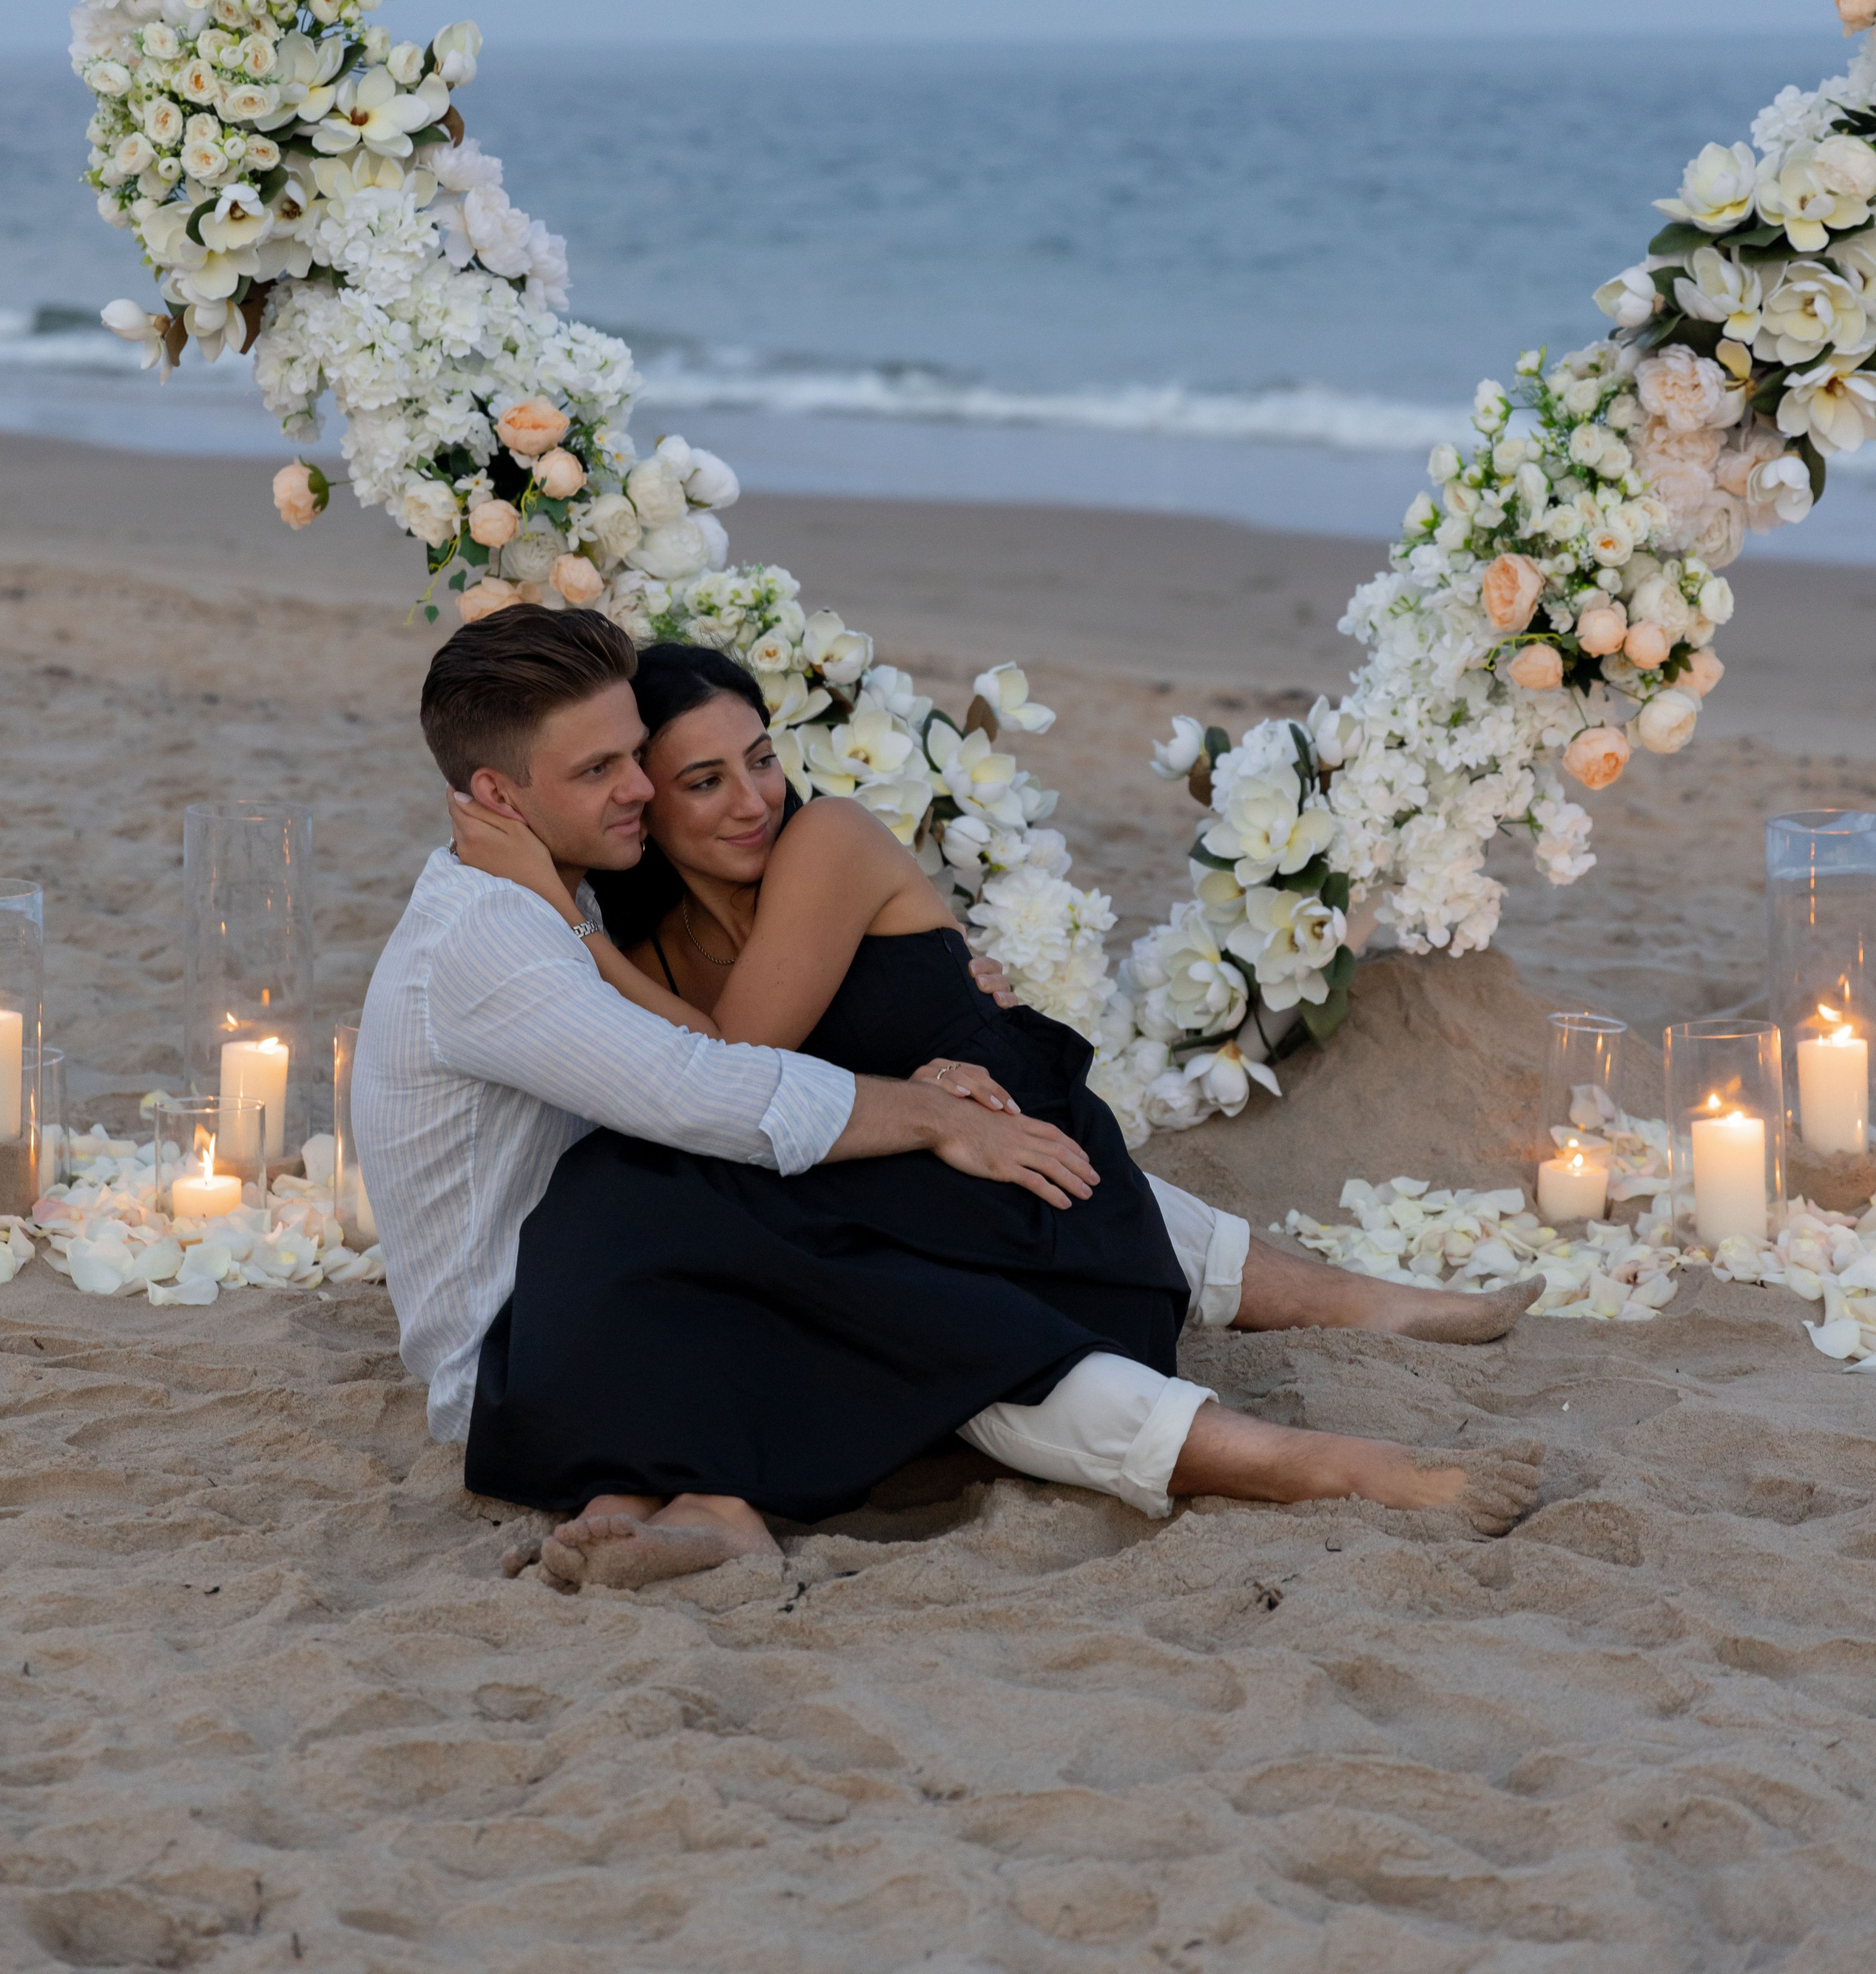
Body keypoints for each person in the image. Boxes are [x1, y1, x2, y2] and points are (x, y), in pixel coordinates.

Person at [399, 616, 1540, 1588]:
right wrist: (587, 927)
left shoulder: (818, 838)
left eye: (757, 758)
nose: (748, 797)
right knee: (747, 1212)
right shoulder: (626, 925)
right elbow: (713, 1077)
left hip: (1037, 1206)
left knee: (858, 1236)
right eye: (693, 778)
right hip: (919, 1189)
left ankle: (1324, 1429)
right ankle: (697, 1498)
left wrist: (580, 931)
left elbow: (732, 1064)